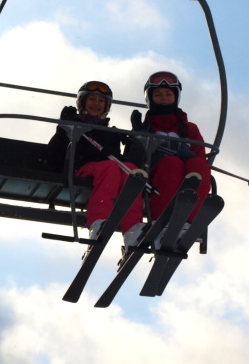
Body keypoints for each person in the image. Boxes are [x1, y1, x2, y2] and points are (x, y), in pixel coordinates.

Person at [46, 80, 146, 247]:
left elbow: (119, 161)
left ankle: (132, 228)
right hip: (79, 169)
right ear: (82, 102)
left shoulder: (109, 133)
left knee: (131, 170)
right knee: (110, 167)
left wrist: (135, 144)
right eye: (92, 99)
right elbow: (53, 156)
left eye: (101, 101)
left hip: (106, 173)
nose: (96, 104)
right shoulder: (73, 126)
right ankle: (98, 221)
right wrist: (65, 129)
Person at [131, 71, 211, 223]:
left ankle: (188, 220)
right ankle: (161, 220)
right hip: (154, 177)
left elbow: (200, 157)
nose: (164, 98)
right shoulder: (147, 127)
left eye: (168, 94)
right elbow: (134, 160)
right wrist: (139, 137)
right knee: (172, 163)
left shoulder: (190, 129)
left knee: (198, 166)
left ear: (176, 97)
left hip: (184, 176)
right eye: (158, 95)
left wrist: (190, 158)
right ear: (150, 98)